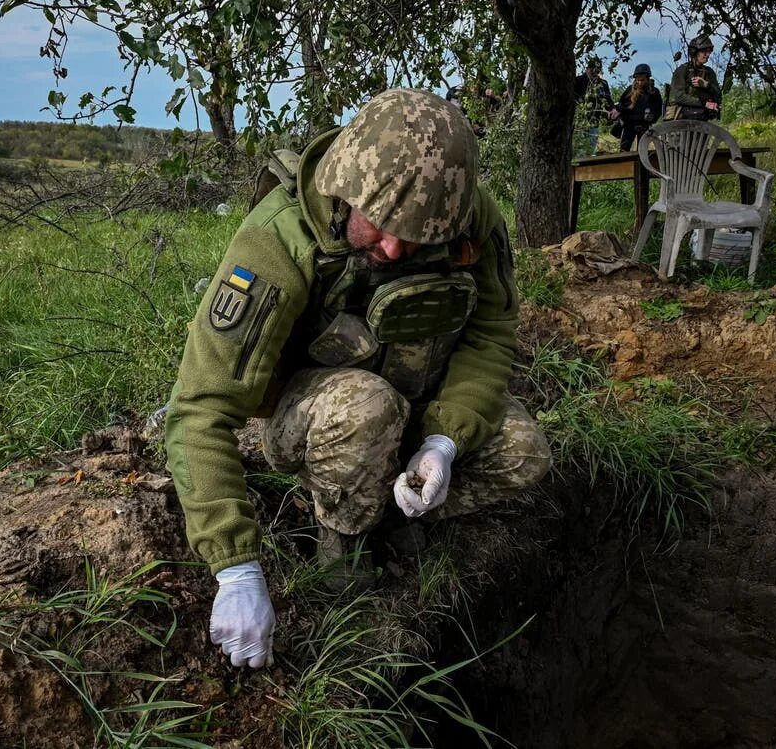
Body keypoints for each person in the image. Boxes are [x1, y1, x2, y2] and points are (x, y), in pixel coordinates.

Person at [164, 88, 552, 669]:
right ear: (346, 188)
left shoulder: (468, 221)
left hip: (416, 406)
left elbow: (489, 333)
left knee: (524, 453)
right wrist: (235, 568)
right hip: (320, 416)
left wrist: (443, 442)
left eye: (418, 235)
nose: (395, 248)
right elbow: (200, 406)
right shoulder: (279, 237)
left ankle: (396, 507)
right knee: (366, 406)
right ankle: (343, 538)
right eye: (382, 225)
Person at [608, 63, 663, 151]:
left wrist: (651, 118)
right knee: (624, 150)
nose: (640, 82)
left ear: (648, 78)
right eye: (638, 80)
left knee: (642, 151)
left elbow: (658, 110)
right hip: (629, 125)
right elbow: (621, 104)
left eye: (642, 80)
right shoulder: (630, 90)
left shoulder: (654, 92)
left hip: (644, 125)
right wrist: (618, 111)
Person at [668, 35, 722, 121]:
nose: (707, 55)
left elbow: (718, 95)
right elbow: (679, 97)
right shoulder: (682, 71)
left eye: (709, 52)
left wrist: (706, 85)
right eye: (704, 51)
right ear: (694, 52)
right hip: (680, 117)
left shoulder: (709, 72)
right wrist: (704, 103)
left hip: (701, 118)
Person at [573, 57, 614, 155]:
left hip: (594, 121)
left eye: (597, 70)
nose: (594, 72)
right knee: (579, 150)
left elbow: (608, 101)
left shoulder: (603, 84)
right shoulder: (578, 81)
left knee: (591, 149)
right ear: (587, 68)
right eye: (591, 69)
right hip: (580, 122)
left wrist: (613, 110)